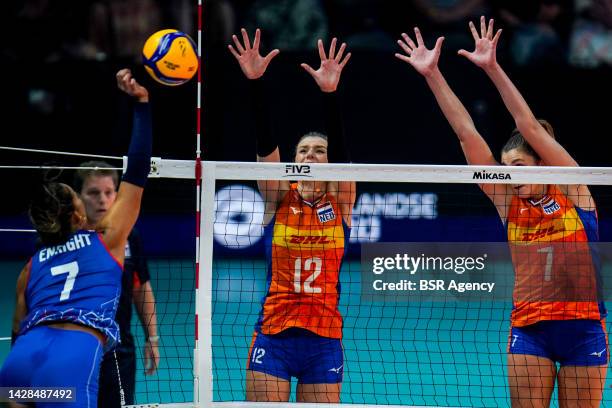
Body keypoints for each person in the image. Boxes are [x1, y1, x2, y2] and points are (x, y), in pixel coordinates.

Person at [395, 17, 606, 407]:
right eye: (504, 167)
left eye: (518, 166)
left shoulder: (576, 192)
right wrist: (433, 75)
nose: (508, 174)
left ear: (542, 164)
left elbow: (530, 126)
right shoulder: (508, 203)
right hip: (529, 332)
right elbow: (466, 134)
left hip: (584, 331)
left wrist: (492, 68)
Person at [0, 68, 152, 408]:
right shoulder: (107, 240)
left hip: (21, 362)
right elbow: (138, 169)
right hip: (71, 360)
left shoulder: (31, 264)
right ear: (78, 213)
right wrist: (142, 104)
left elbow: (16, 329)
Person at [228, 28, 356, 403]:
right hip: (274, 336)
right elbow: (266, 148)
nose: (311, 156)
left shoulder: (342, 203)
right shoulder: (277, 200)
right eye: (303, 151)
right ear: (293, 160)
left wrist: (330, 95)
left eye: (319, 151)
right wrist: (255, 85)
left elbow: (344, 161)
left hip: (324, 341)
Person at [73, 161, 160, 407]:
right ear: (78, 196)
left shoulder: (129, 237)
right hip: (74, 353)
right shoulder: (64, 237)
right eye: (93, 192)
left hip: (119, 355)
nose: (102, 200)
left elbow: (141, 287)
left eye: (109, 192)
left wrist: (152, 338)